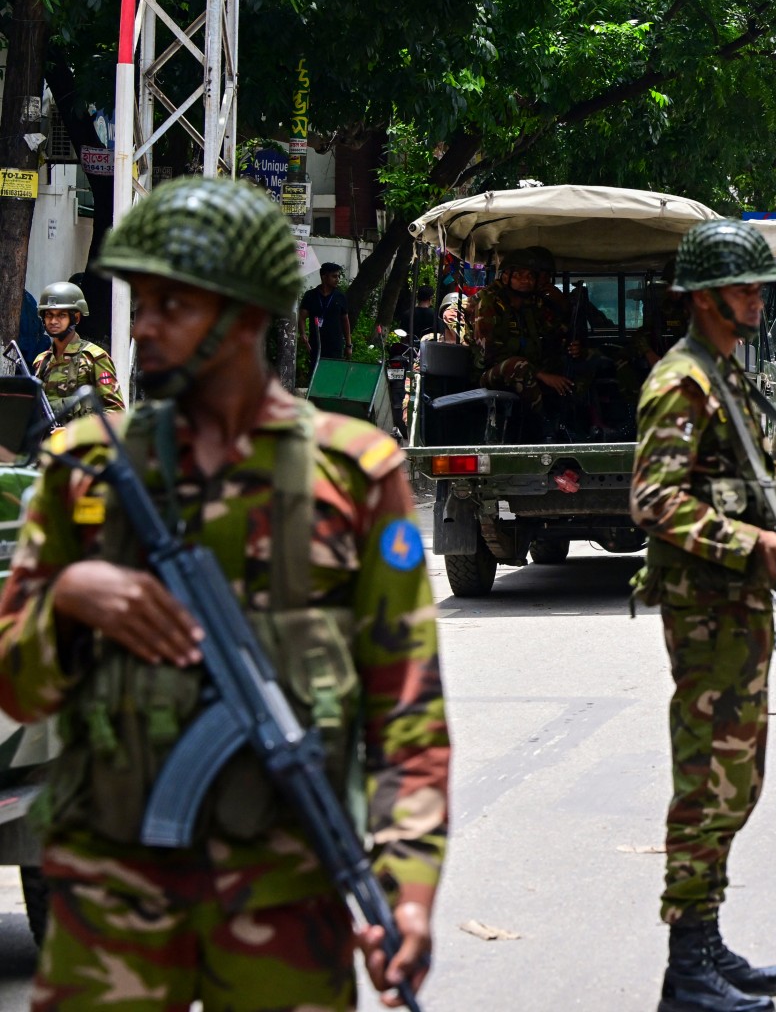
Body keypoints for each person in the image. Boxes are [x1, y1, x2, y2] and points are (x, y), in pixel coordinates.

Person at [0, 176, 445, 1009]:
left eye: (177, 305)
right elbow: (17, 684)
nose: (149, 328)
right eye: (145, 302)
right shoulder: (86, 469)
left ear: (245, 315)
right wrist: (68, 593)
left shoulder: (351, 473)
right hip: (111, 904)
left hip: (286, 898)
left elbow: (407, 711)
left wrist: (406, 888)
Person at [630, 219, 776, 1012]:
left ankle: (706, 938)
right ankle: (686, 966)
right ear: (709, 297)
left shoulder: (726, 374)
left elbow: (748, 466)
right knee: (708, 780)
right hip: (706, 609)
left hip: (735, 604)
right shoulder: (681, 381)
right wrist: (745, 538)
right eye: (747, 289)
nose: (758, 301)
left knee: (737, 777)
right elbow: (653, 500)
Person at [472, 247, 571, 413]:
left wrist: (571, 345)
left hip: (528, 368)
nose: (526, 281)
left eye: (531, 276)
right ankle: (540, 427)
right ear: (505, 277)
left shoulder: (532, 305)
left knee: (569, 362)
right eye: (519, 275)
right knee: (519, 366)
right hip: (490, 373)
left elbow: (554, 331)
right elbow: (490, 354)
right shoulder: (489, 304)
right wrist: (540, 374)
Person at [31, 281, 123, 422]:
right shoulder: (41, 361)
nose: (53, 321)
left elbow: (116, 412)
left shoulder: (94, 358)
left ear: (76, 318)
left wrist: (79, 433)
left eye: (61, 315)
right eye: (49, 315)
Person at [298, 261, 352, 365]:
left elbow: (345, 321)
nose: (337, 279)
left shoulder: (340, 297)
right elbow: (302, 317)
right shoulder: (310, 295)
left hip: (335, 344)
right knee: (315, 372)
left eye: (338, 276)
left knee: (333, 373)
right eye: (334, 276)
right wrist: (303, 334)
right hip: (316, 343)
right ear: (324, 276)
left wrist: (348, 345)